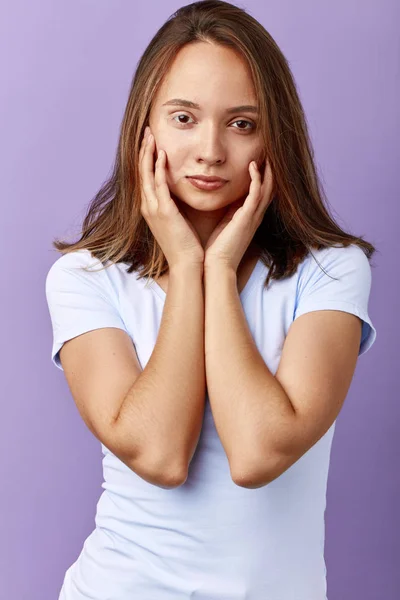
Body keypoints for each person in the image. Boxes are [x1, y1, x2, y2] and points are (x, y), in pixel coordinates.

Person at [45, 1, 377, 598]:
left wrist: (217, 270)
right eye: (183, 118)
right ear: (144, 127)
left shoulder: (331, 271)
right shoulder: (84, 277)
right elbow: (159, 454)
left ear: (276, 135)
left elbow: (257, 453)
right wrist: (186, 262)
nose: (210, 150)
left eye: (242, 123)